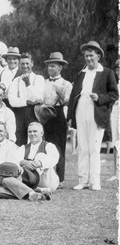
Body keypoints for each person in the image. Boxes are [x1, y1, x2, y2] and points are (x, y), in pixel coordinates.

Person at [68, 40, 119, 191]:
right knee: (83, 147)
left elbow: (114, 94)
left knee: (94, 147)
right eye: (86, 56)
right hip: (81, 109)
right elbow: (73, 95)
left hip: (96, 111)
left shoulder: (107, 73)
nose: (89, 59)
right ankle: (83, 180)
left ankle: (95, 181)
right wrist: (70, 115)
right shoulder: (81, 73)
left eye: (91, 56)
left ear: (98, 56)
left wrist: (100, 98)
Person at [41, 52, 73, 183]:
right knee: (45, 145)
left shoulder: (66, 84)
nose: (50, 69)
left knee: (59, 146)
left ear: (60, 68)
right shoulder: (43, 81)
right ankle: (47, 176)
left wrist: (60, 92)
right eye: (49, 66)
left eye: (53, 66)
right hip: (44, 114)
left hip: (58, 115)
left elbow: (67, 101)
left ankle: (59, 178)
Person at [6, 53, 45, 146]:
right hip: (19, 113)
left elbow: (38, 98)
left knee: (36, 139)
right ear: (19, 65)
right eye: (22, 64)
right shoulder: (15, 81)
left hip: (35, 113)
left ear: (32, 63)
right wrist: (26, 101)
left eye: (27, 63)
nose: (25, 66)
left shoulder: (39, 78)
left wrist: (28, 83)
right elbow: (12, 100)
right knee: (19, 140)